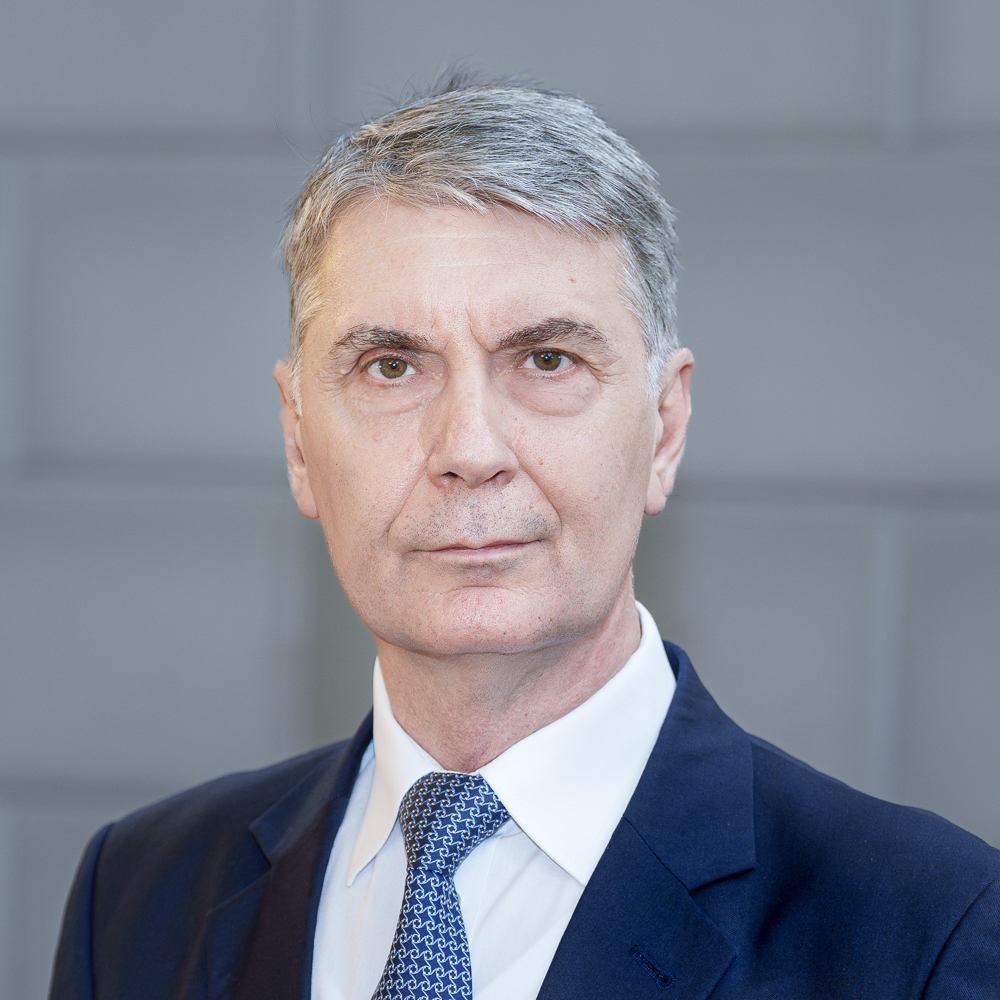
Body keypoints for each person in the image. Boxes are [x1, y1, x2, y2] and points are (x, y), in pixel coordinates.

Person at [51, 74, 999, 1000]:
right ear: (299, 441)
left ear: (664, 429)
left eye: (547, 359)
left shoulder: (924, 935)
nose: (469, 450)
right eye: (391, 367)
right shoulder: (136, 899)